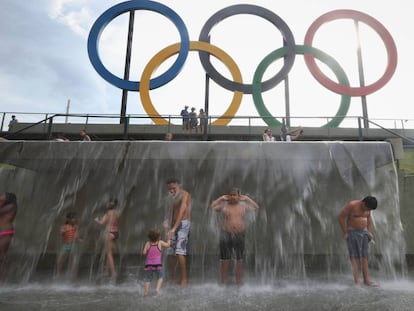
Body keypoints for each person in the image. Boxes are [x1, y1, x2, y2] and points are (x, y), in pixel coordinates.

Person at [209, 188, 259, 286]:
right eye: (230, 195)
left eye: (235, 195)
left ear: (238, 196)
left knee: (239, 260)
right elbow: (211, 207)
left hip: (239, 234)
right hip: (225, 233)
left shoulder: (243, 206)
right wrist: (220, 198)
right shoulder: (224, 206)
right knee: (225, 260)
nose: (232, 197)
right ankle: (223, 282)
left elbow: (256, 207)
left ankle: (239, 283)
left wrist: (247, 199)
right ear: (228, 196)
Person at [338, 196, 378, 286]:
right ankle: (357, 281)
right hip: (352, 233)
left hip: (364, 233)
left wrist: (369, 231)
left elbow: (368, 219)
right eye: (367, 208)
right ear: (363, 203)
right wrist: (345, 232)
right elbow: (341, 217)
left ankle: (367, 280)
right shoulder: (352, 205)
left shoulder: (368, 208)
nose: (367, 210)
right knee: (355, 257)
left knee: (364, 257)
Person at [163, 178, 191, 286]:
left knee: (180, 251)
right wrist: (166, 219)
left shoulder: (185, 194)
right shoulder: (172, 197)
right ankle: (173, 276)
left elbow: (182, 210)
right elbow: (170, 210)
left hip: (183, 224)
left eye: (173, 188)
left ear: (179, 185)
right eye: (169, 189)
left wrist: (174, 228)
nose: (172, 190)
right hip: (173, 225)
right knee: (170, 251)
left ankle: (184, 279)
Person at [95, 199, 120, 279]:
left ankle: (113, 272)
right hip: (115, 233)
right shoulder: (117, 213)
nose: (106, 204)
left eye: (107, 203)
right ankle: (106, 272)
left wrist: (97, 220)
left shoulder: (107, 213)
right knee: (109, 253)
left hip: (109, 233)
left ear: (109, 205)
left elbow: (102, 223)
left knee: (109, 254)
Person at [142, 228, 172, 296]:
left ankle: (146, 292)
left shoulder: (147, 243)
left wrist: (147, 251)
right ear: (158, 237)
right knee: (161, 276)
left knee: (148, 279)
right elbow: (168, 245)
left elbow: (144, 253)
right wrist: (169, 238)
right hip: (157, 264)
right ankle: (157, 289)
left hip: (148, 265)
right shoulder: (160, 242)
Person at [56, 212, 81, 277]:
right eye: (72, 218)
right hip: (65, 245)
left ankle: (72, 273)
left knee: (72, 260)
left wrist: (79, 239)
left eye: (75, 218)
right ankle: (58, 273)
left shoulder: (75, 226)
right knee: (60, 259)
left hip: (73, 244)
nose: (74, 220)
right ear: (68, 219)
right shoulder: (64, 226)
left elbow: (77, 236)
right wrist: (62, 231)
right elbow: (61, 233)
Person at [0, 192, 17, 280]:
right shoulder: (4, 206)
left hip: (6, 232)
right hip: (2, 231)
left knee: (2, 255)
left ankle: (3, 278)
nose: (0, 195)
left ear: (8, 198)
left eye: (3, 195)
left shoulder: (12, 206)